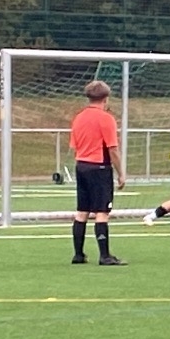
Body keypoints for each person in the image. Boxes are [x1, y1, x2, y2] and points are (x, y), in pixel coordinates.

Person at [69, 79, 126, 265]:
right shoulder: (106, 118)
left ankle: (78, 254)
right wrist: (121, 173)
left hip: (81, 165)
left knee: (82, 211)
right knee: (102, 212)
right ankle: (104, 255)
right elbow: (112, 148)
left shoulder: (79, 117)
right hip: (99, 167)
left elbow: (74, 145)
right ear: (106, 98)